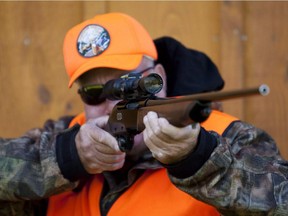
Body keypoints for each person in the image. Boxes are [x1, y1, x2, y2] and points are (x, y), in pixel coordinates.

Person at [0, 12, 287, 216]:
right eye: (94, 94)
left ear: (158, 76)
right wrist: (67, 158)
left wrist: (197, 160)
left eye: (128, 85)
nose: (113, 105)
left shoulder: (227, 137)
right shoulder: (65, 137)